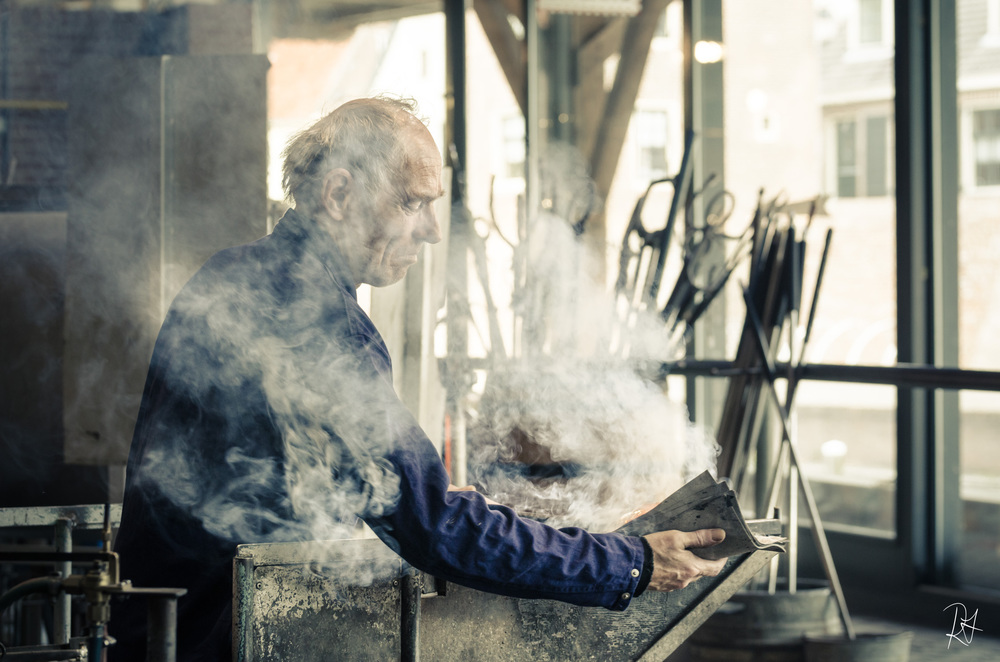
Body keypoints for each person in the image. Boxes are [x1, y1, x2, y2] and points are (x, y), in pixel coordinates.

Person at [111, 96, 729, 661]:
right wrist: (629, 561)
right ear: (338, 195)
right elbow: (428, 523)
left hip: (163, 630)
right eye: (413, 202)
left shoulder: (236, 272)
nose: (431, 230)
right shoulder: (318, 324)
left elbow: (352, 488)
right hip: (217, 638)